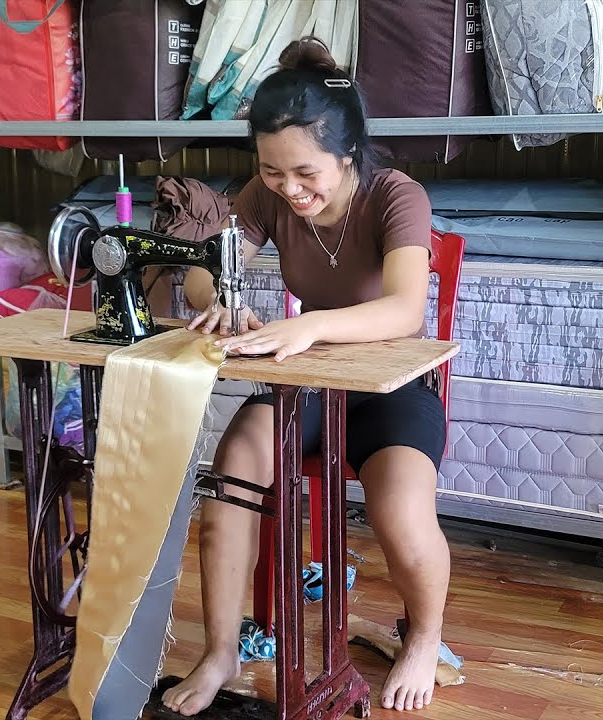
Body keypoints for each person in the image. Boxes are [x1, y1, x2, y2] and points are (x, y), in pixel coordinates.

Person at [163, 38, 449, 714]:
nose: (288, 189)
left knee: (400, 512)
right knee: (234, 469)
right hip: (312, 385)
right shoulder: (265, 197)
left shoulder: (394, 196)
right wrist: (219, 299)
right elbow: (207, 273)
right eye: (270, 171)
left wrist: (310, 324)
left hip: (392, 389)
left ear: (347, 155)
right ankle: (221, 651)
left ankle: (426, 635)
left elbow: (406, 309)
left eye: (304, 173)